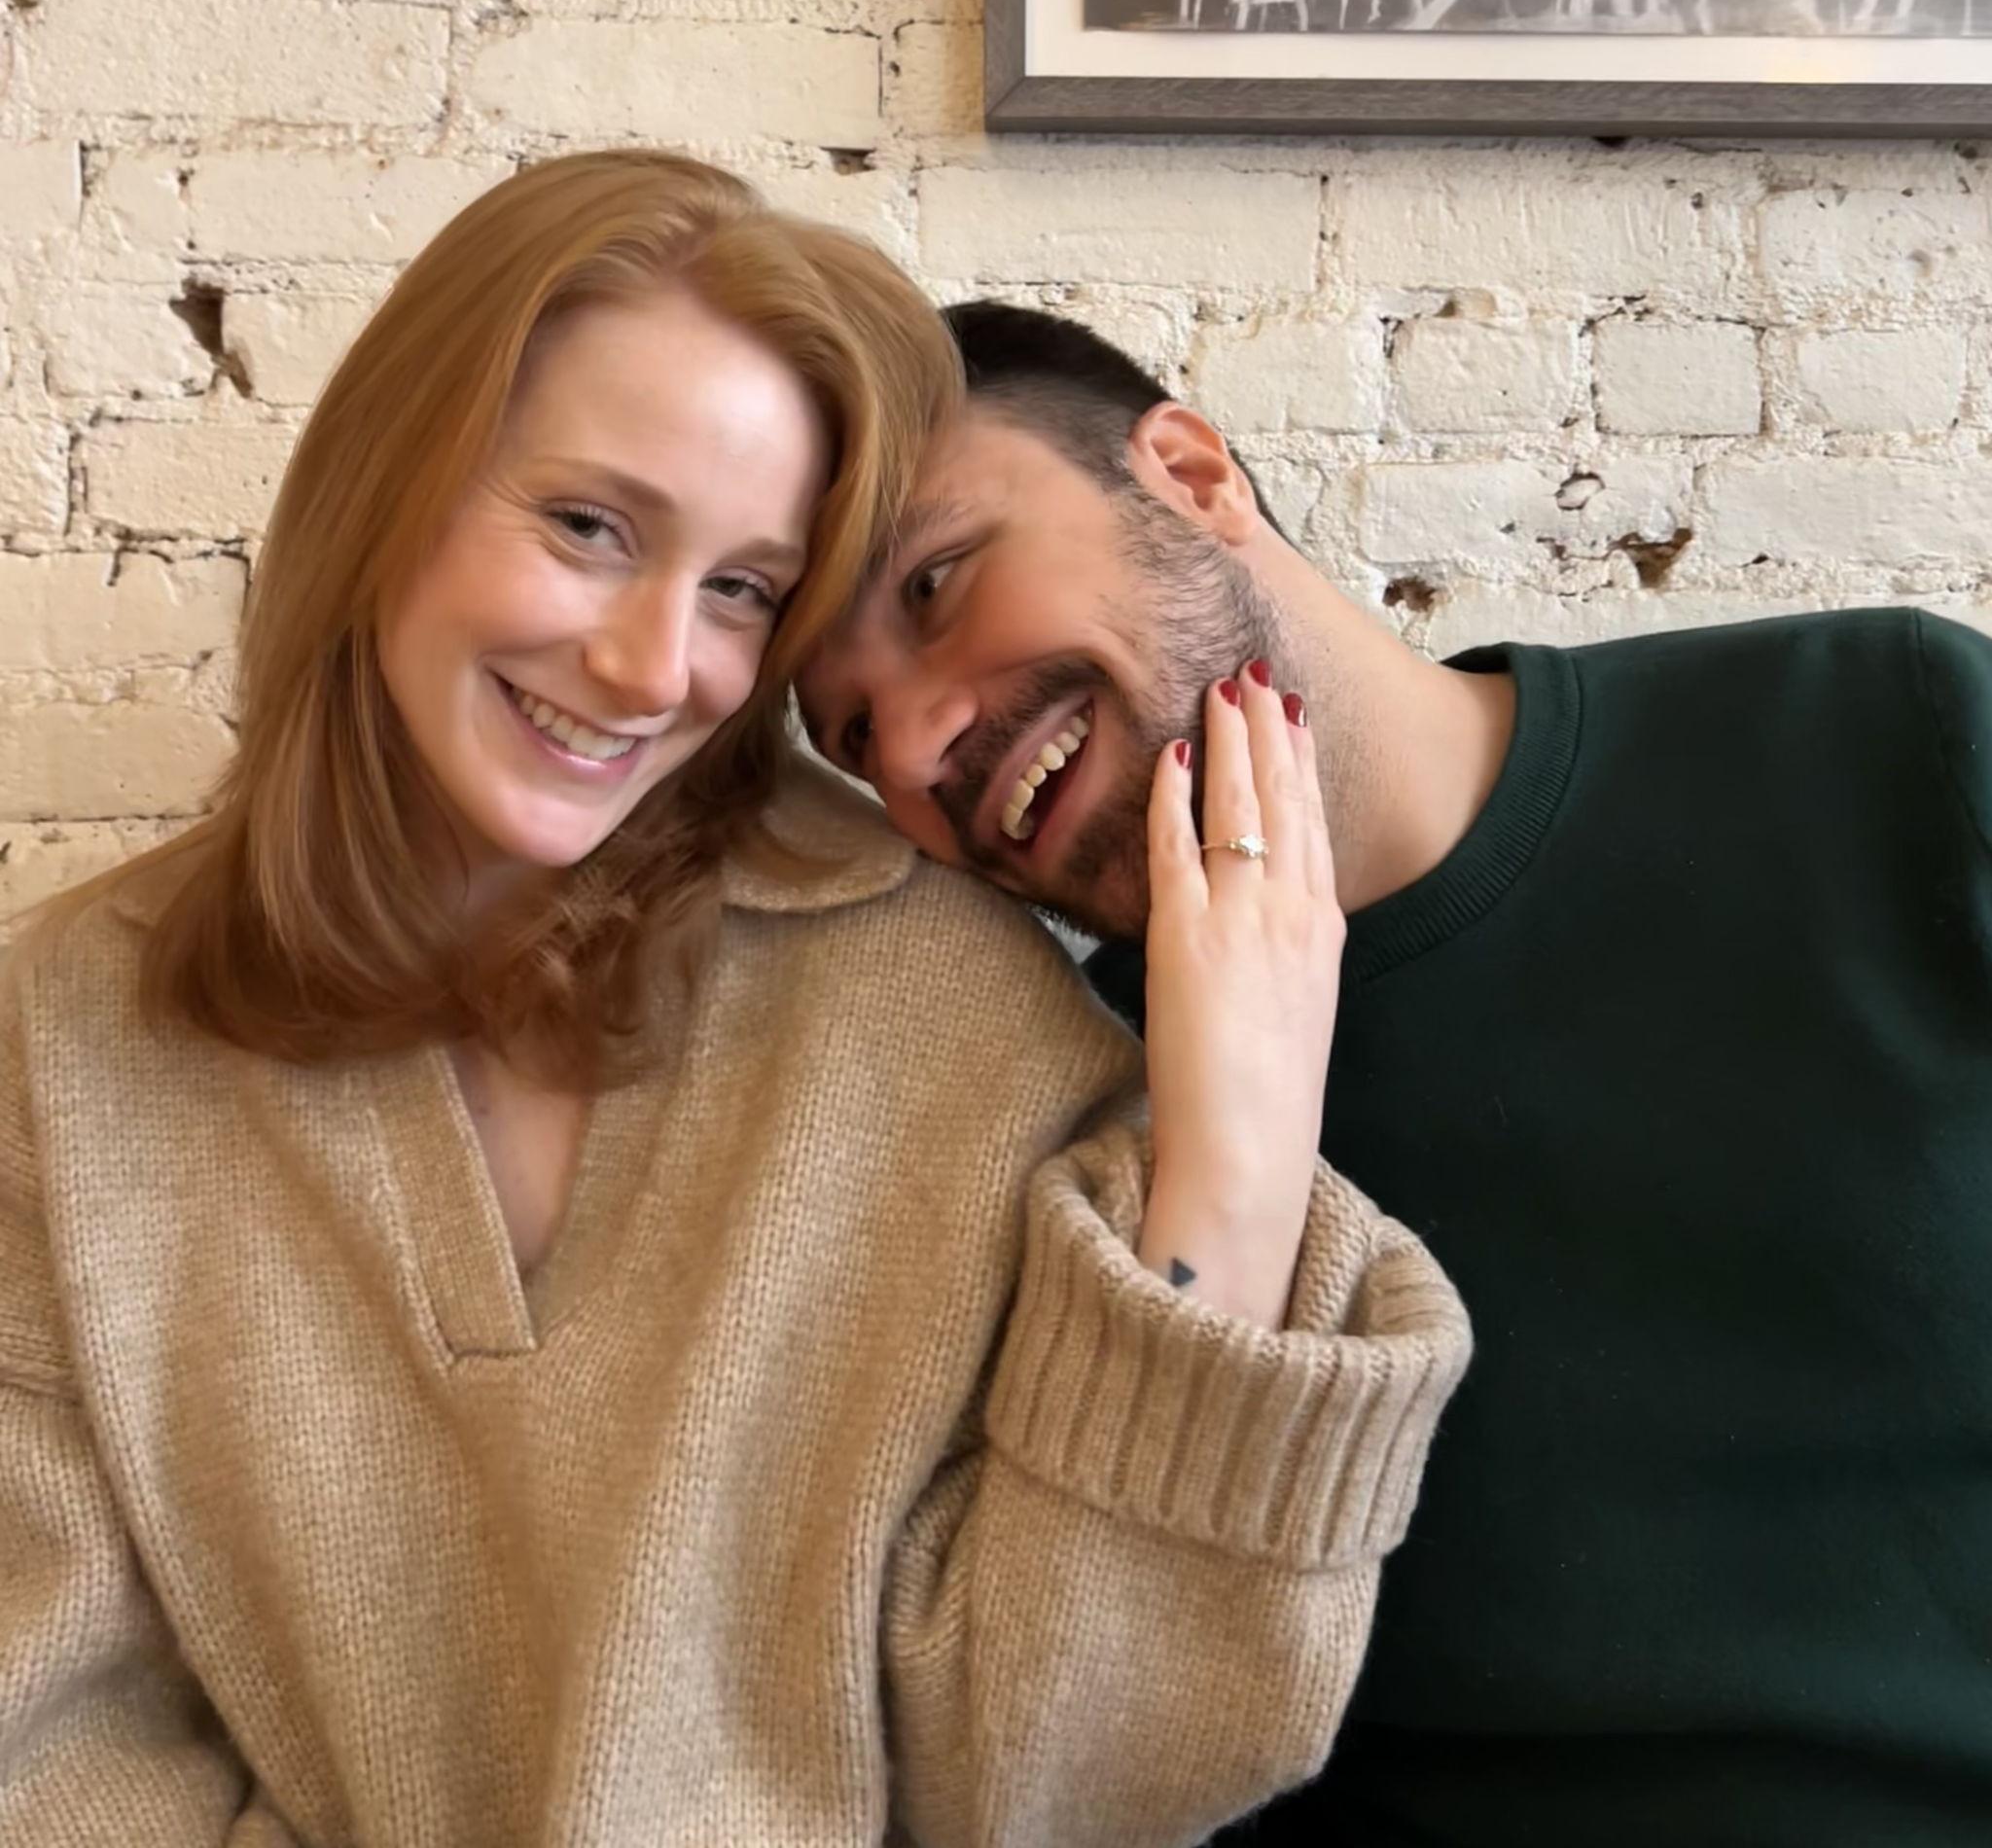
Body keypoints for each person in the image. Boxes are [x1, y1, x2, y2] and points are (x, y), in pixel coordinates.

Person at [0, 155, 1470, 1847]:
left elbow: (1084, 1771)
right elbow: (47, 1751)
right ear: (385, 486)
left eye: (741, 591)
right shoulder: (65, 1037)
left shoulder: (943, 1005)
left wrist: (1238, 1154)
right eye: (588, 527)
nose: (651, 668)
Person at [797, 299, 1992, 1847]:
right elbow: (1063, 1776)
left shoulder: (1890, 741)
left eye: (936, 583)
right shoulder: (1048, 1135)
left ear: (1192, 477)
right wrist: (1228, 1162)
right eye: (849, 739)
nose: (913, 750)